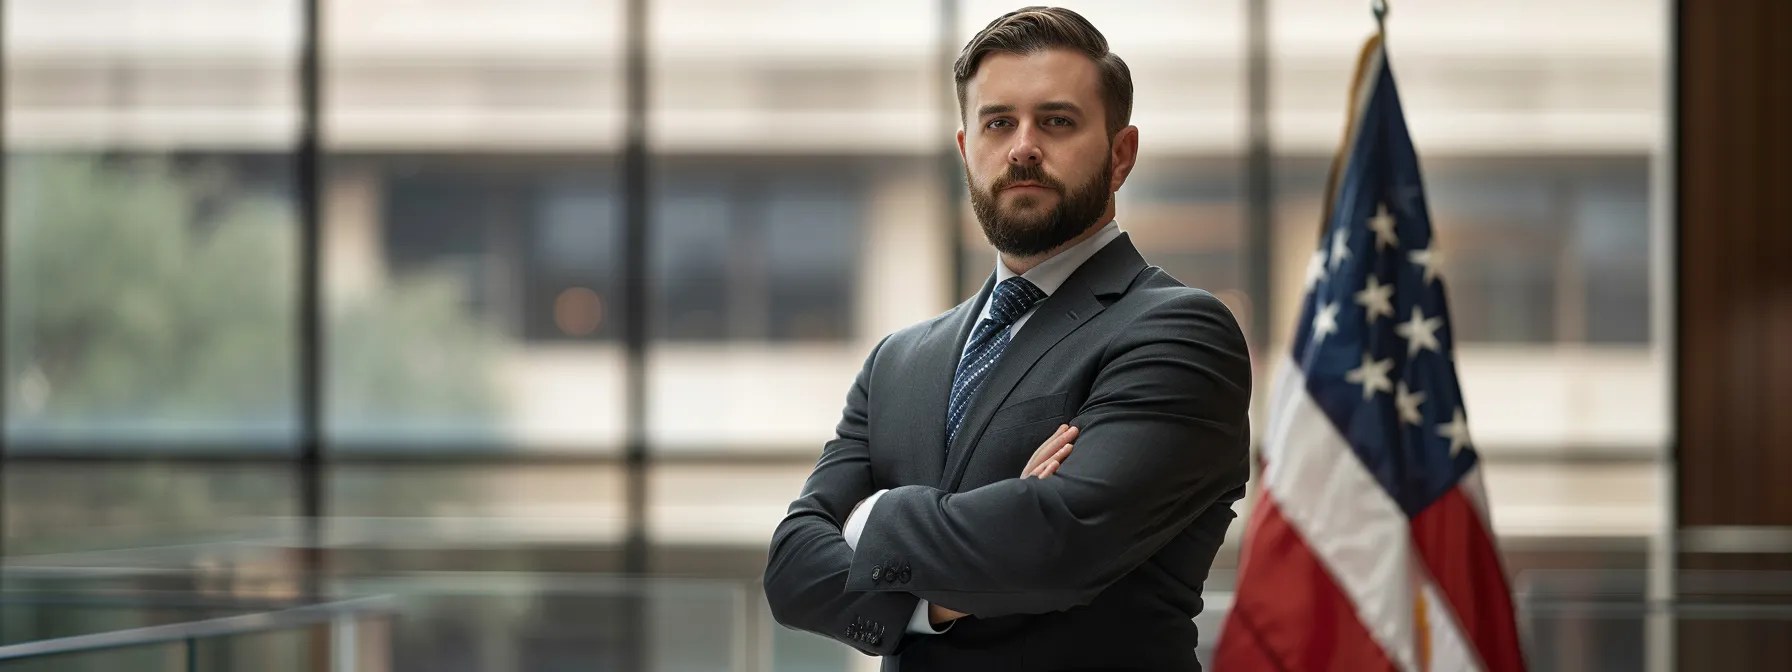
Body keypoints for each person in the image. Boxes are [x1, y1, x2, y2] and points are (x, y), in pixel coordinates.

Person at [762, 6, 1252, 671]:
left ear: (1121, 154)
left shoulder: (1179, 333)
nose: (1023, 146)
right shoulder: (900, 362)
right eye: (999, 123)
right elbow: (792, 567)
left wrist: (868, 520)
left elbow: (1058, 544)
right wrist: (944, 598)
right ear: (968, 150)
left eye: (1056, 121)